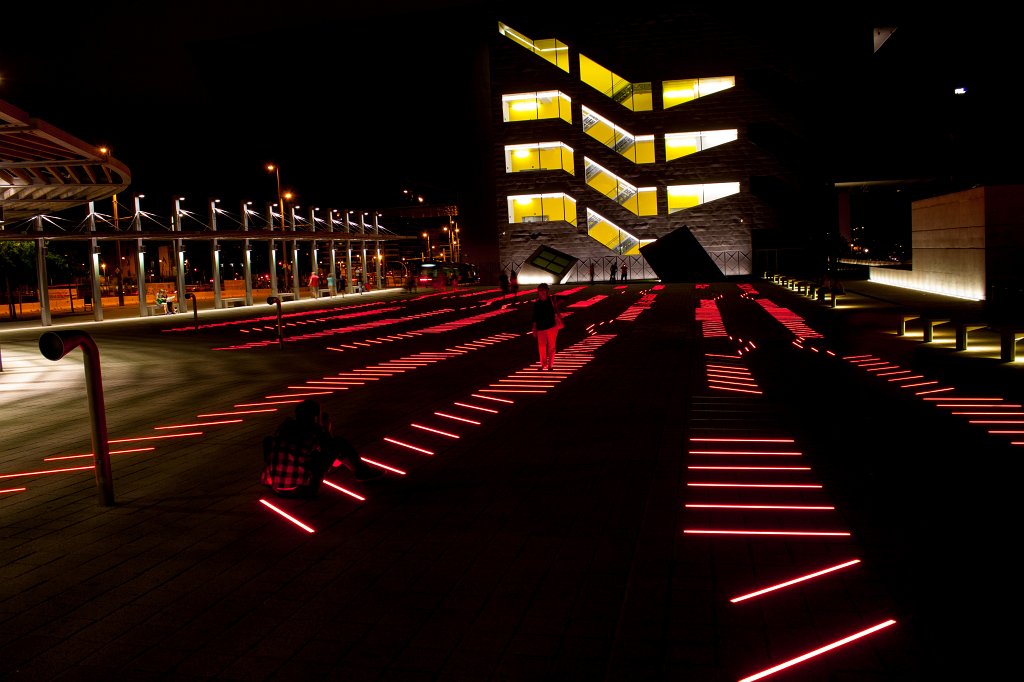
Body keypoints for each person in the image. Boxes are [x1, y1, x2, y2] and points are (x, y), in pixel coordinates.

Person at [261, 398, 383, 498]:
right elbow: (334, 456)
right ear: (315, 416)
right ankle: (363, 472)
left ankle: (363, 472)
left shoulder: (283, 430)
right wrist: (326, 429)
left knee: (272, 443)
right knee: (339, 443)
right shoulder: (314, 432)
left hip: (276, 489)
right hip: (304, 490)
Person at [531, 282, 563, 371]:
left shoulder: (552, 300)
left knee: (552, 346)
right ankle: (543, 364)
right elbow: (535, 316)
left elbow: (559, 305)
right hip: (540, 328)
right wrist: (534, 327)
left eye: (543, 290)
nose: (541, 292)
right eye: (539, 291)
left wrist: (557, 304)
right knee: (541, 347)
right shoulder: (537, 303)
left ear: (547, 290)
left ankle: (550, 365)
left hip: (552, 326)